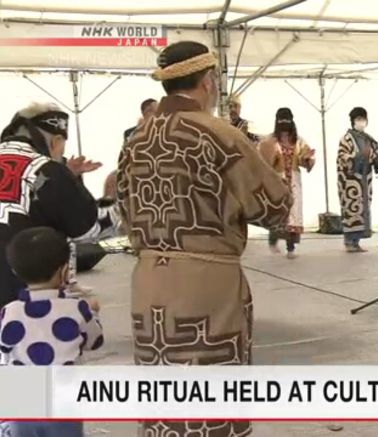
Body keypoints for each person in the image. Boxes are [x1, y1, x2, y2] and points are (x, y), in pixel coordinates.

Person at [117, 41, 291, 437]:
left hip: (148, 284)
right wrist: (266, 157)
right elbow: (276, 209)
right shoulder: (220, 134)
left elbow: (124, 213)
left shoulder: (135, 141)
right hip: (206, 285)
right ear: (208, 81)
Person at [0, 102, 118, 309]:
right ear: (55, 141)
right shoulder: (47, 170)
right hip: (21, 304)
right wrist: (119, 205)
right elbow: (90, 229)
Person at [1, 227, 102, 437]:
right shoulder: (77, 309)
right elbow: (95, 341)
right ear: (65, 271)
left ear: (15, 272)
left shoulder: (8, 313)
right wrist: (93, 313)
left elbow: (4, 349)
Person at [258, 108, 315, 259]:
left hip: (294, 181)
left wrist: (307, 159)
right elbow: (262, 161)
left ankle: (291, 247)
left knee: (293, 214)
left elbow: (305, 157)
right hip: (277, 180)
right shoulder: (269, 141)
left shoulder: (298, 141)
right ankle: (274, 238)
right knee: (278, 212)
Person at [337, 107, 378, 253]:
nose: (361, 122)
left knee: (363, 210)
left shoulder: (369, 139)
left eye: (363, 119)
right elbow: (343, 158)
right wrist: (359, 156)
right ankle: (349, 241)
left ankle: (357, 241)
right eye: (358, 119)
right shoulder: (346, 139)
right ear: (353, 121)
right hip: (351, 181)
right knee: (352, 209)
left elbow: (374, 155)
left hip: (365, 180)